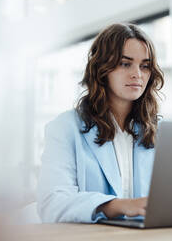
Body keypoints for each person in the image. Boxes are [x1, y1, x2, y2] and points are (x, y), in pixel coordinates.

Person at [36, 23, 164, 223]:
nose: (137, 74)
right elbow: (52, 202)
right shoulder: (64, 128)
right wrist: (116, 205)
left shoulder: (159, 131)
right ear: (102, 69)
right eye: (125, 63)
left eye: (145, 66)